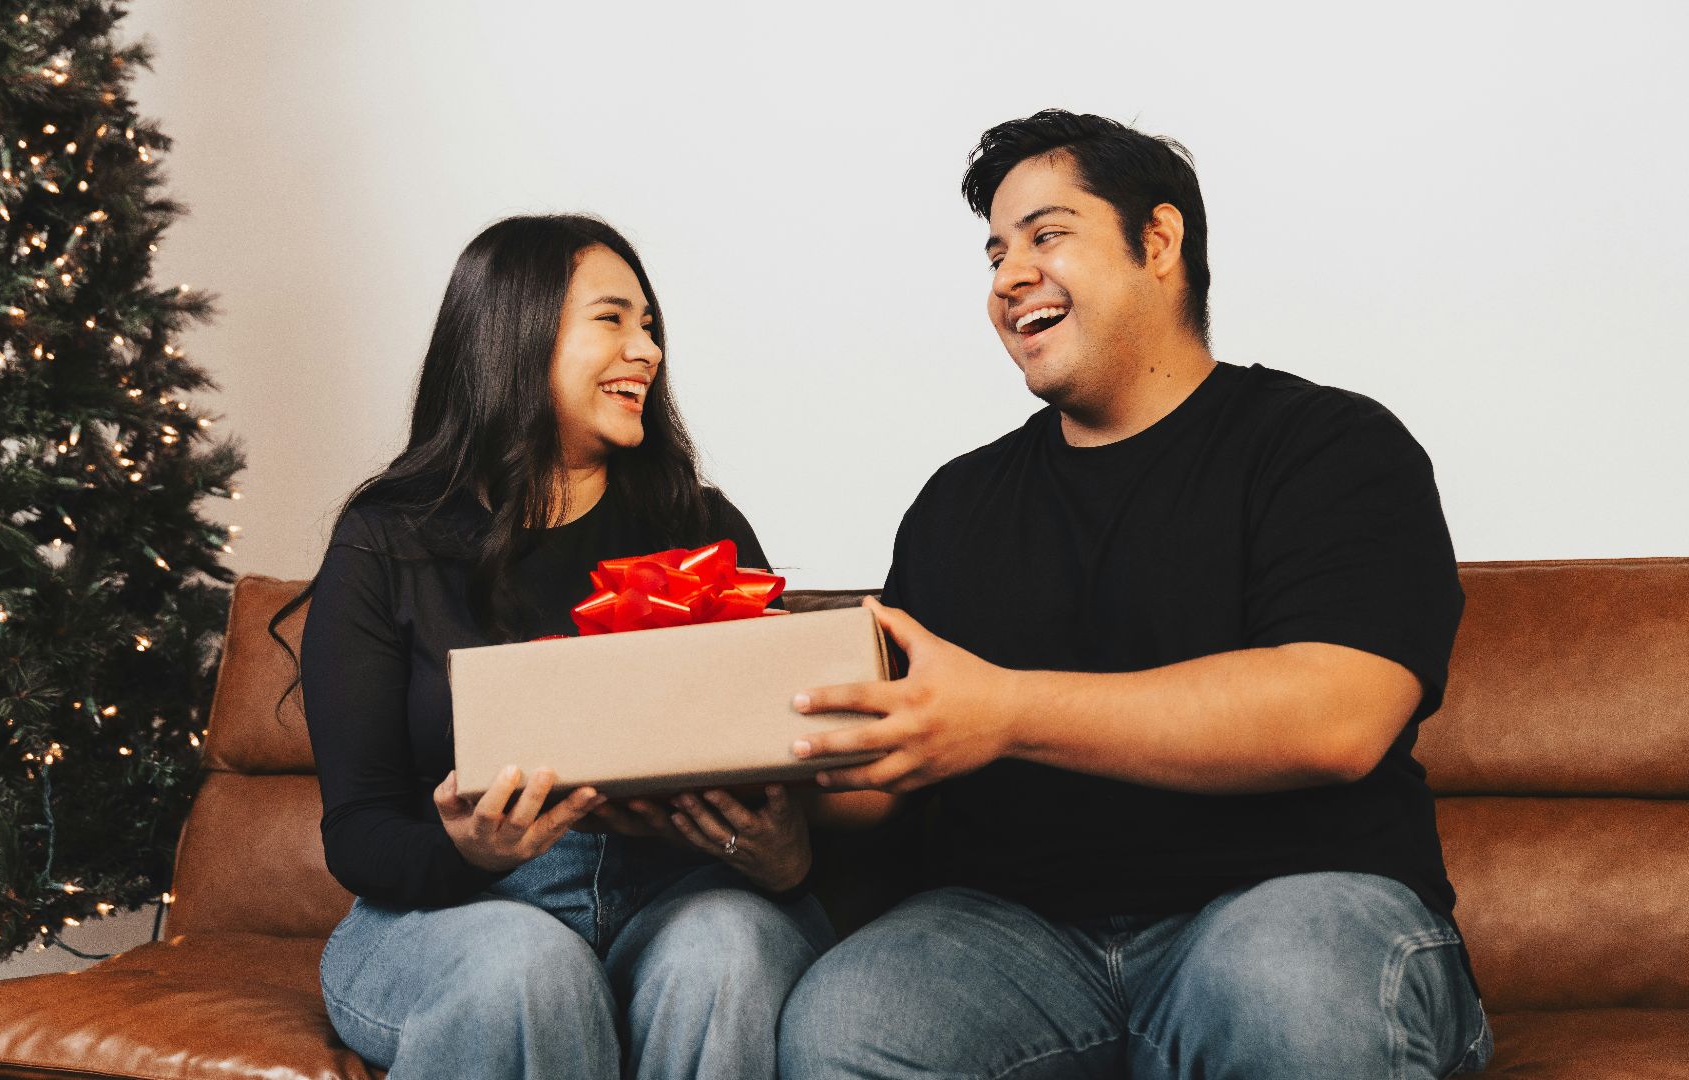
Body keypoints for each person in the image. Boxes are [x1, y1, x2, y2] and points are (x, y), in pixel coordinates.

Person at [779, 111, 1492, 1078]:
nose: (1007, 277)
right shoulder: (957, 504)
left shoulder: (1329, 447)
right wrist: (763, 799)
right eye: (995, 251)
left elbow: (1339, 716)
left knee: (1285, 985)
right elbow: (894, 769)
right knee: (846, 1016)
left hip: (1289, 902)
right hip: (1016, 938)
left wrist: (1010, 711)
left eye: (1047, 235)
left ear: (1158, 242)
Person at [276, 215, 836, 1080]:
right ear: (515, 334)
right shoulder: (386, 543)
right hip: (460, 911)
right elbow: (358, 832)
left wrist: (785, 851)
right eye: (612, 319)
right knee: (528, 967)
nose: (645, 350)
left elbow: (796, 769)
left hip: (679, 894)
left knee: (727, 950)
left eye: (649, 325)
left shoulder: (702, 530)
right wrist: (470, 851)